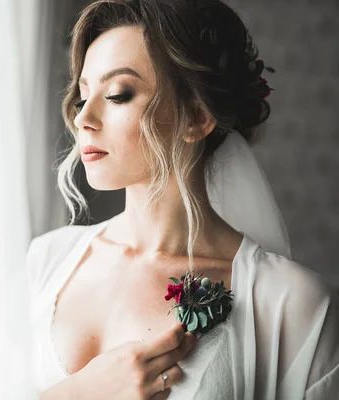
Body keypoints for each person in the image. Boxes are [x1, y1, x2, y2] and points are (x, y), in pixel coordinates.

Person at [25, 0, 339, 399]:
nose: (83, 118)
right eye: (84, 95)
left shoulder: (294, 306)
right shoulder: (46, 263)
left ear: (196, 116)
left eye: (119, 94)